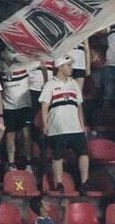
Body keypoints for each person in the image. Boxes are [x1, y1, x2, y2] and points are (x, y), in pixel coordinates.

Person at [38, 55, 89, 192]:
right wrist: (45, 125)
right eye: (68, 65)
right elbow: (44, 106)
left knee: (83, 154)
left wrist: (82, 124)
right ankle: (58, 183)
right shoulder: (50, 85)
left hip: (75, 127)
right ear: (60, 67)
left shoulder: (74, 84)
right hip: (57, 128)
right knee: (58, 156)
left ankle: (84, 182)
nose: (71, 68)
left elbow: (79, 106)